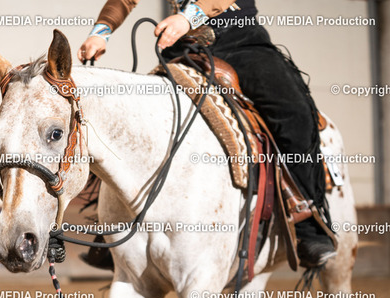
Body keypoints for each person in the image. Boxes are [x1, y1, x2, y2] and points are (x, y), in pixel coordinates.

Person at [77, 0, 336, 269]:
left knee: (293, 112)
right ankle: (121, 225)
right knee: (143, 123)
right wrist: (101, 32)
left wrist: (187, 18)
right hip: (183, 49)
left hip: (241, 43)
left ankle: (306, 221)